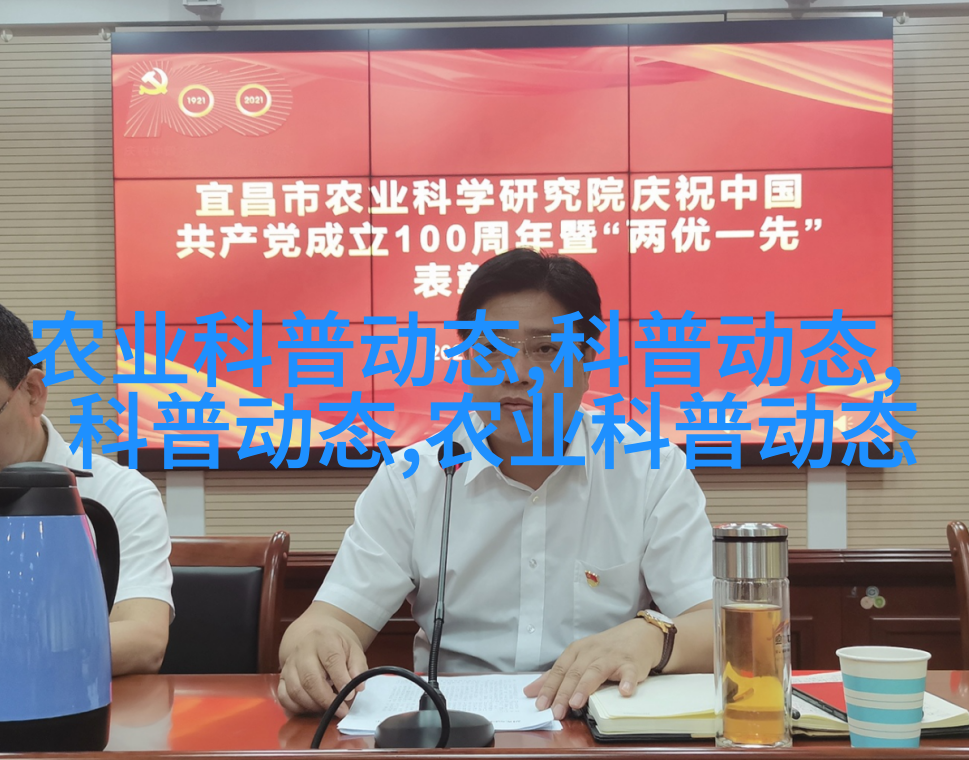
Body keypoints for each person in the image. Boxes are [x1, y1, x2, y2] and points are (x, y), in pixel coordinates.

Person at [278, 248, 714, 720]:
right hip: (452, 734)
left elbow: (720, 626)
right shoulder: (415, 478)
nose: (516, 373)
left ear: (586, 361)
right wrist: (312, 646)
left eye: (545, 349)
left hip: (596, 727)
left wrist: (651, 638)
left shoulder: (649, 470)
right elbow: (326, 620)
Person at [0, 303, 173, 675]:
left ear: (33, 391)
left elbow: (144, 639)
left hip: (74, 702)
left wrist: (20, 655)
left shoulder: (119, 493)